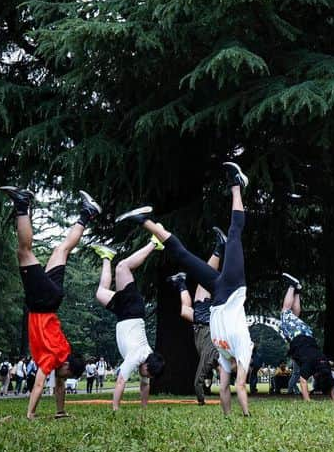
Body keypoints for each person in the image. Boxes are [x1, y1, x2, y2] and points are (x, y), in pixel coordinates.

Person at [117, 161, 253, 416]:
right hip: (233, 288)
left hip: (220, 293)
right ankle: (237, 187)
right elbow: (237, 386)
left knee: (184, 257)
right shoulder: (238, 348)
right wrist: (245, 417)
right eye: (237, 368)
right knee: (234, 234)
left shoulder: (227, 350)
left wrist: (230, 417)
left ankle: (144, 220)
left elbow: (230, 387)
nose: (233, 372)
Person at [0, 185, 92, 419]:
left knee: (61, 250)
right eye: (67, 374)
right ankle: (22, 203)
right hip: (41, 303)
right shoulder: (54, 358)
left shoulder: (65, 353)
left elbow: (58, 383)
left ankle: (87, 213)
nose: (62, 378)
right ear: (68, 366)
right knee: (24, 252)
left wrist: (61, 411)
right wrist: (30, 413)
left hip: (52, 301)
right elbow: (39, 384)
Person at [91, 239, 166, 410]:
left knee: (100, 293)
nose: (146, 376)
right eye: (148, 373)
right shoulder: (137, 357)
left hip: (123, 314)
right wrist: (115, 408)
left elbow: (145, 385)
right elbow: (120, 381)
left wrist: (144, 407)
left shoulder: (147, 361)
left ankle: (106, 256)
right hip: (132, 309)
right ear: (146, 365)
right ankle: (154, 243)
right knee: (122, 267)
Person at [166, 226, 226, 405]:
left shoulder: (217, 355)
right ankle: (220, 248)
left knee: (185, 311)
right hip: (204, 321)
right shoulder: (211, 357)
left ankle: (181, 281)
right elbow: (197, 382)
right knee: (203, 280)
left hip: (201, 323)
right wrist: (201, 401)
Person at [276, 273, 334, 400]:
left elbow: (330, 383)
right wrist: (307, 400)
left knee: (295, 317)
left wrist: (333, 399)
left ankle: (297, 290)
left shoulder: (326, 367)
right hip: (298, 337)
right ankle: (292, 286)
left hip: (307, 334)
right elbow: (303, 382)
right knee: (285, 312)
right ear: (317, 376)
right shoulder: (310, 366)